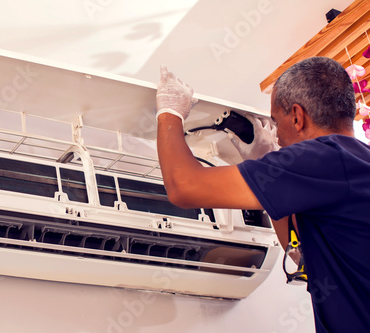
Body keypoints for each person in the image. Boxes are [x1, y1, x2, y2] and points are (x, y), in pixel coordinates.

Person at [155, 57, 370, 333]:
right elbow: (300, 254)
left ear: (297, 116)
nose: (277, 136)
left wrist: (170, 112)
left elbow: (183, 186)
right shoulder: (356, 162)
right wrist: (268, 174)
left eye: (276, 121)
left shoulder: (324, 157)